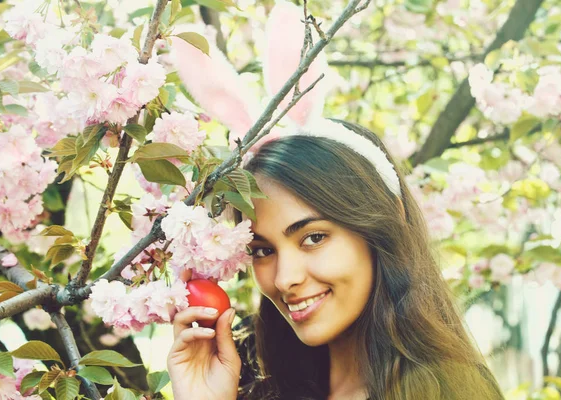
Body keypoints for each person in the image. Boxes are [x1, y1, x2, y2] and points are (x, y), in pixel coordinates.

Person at [167, 118, 505, 400]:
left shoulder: (450, 391)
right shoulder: (254, 384)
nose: (285, 279)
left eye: (313, 238)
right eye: (263, 250)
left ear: (386, 223)